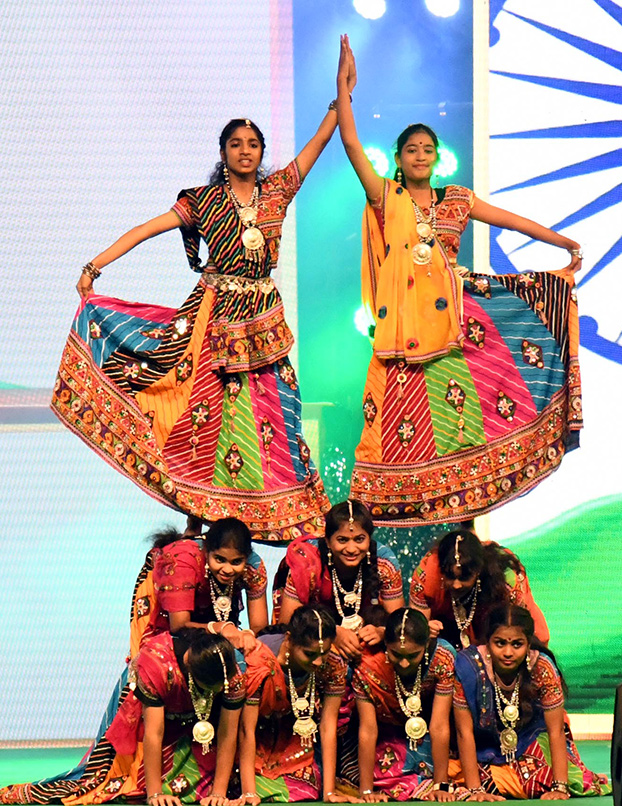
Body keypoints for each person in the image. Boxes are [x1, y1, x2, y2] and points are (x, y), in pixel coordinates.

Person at [51, 73, 355, 540]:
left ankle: (284, 517)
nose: (245, 150)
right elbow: (146, 229)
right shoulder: (204, 201)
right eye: (236, 143)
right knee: (203, 411)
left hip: (262, 320)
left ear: (261, 151)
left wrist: (340, 95)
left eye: (253, 143)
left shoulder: (277, 191)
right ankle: (197, 518)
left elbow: (320, 139)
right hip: (213, 318)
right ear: (223, 153)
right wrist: (94, 266)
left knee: (279, 413)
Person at [335, 35, 583, 526]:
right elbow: (349, 142)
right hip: (405, 326)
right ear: (399, 158)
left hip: (457, 314)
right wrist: (344, 90)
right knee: (394, 411)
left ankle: (467, 515)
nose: (420, 155)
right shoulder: (386, 197)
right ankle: (397, 502)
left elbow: (509, 221)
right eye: (411, 149)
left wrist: (563, 243)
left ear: (437, 157)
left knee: (471, 410)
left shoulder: (458, 198)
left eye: (428, 149)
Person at [0, 629, 246, 806]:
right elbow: (154, 733)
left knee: (225, 789)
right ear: (192, 673)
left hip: (195, 726)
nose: (218, 692)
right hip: (147, 724)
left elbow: (227, 734)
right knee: (108, 785)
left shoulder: (232, 673)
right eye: (210, 689)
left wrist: (219, 792)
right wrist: (154, 794)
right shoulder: (157, 663)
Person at [452, 604, 611, 800]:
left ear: (528, 644)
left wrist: (560, 788)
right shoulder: (468, 667)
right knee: (450, 772)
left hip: (530, 741)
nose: (508, 652)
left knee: (545, 780)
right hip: (483, 746)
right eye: (500, 643)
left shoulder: (542, 667)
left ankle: (504, 782)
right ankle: (493, 782)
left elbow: (556, 730)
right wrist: (475, 791)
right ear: (488, 641)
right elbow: (463, 732)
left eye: (517, 644)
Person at [238, 606, 351, 803]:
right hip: (254, 735)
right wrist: (248, 792)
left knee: (306, 789)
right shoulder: (259, 662)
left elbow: (328, 726)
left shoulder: (332, 665)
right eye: (309, 654)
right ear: (289, 640)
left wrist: (330, 792)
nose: (318, 662)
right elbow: (246, 728)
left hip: (293, 736)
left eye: (323, 654)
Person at [342, 608, 457, 802]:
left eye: (412, 656)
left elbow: (439, 725)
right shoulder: (367, 665)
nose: (404, 663)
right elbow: (368, 730)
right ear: (385, 644)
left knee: (452, 771)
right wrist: (366, 791)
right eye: (396, 654)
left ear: (426, 644)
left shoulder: (443, 657)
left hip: (426, 736)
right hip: (381, 739)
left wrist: (441, 785)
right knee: (384, 771)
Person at [275, 499, 404, 661]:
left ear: (369, 539)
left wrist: (381, 632)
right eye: (342, 540)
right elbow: (287, 624)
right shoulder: (307, 561)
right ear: (328, 541)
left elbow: (400, 624)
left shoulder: (385, 563)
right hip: (313, 642)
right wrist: (332, 634)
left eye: (359, 539)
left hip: (363, 647)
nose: (351, 549)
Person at [143, 516, 268, 655]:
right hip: (174, 632)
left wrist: (247, 635)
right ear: (206, 551)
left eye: (236, 562)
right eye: (220, 559)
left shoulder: (253, 567)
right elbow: (178, 625)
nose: (227, 569)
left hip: (222, 628)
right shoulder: (183, 562)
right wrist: (218, 628)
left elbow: (259, 628)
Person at [409, 529, 549, 649]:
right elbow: (415, 630)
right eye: (450, 576)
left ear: (478, 571)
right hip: (447, 639)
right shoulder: (427, 573)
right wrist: (425, 630)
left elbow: (517, 636)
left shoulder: (506, 580)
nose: (456, 585)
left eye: (465, 577)